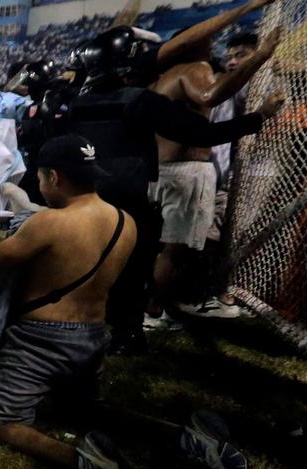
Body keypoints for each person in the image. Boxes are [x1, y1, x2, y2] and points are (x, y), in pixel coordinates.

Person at [66, 24, 284, 353]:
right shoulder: (142, 99)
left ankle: (84, 324)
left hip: (90, 196)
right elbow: (203, 133)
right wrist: (259, 116)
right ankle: (127, 332)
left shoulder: (80, 104)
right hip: (130, 194)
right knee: (135, 264)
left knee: (93, 262)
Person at [0, 135, 142, 469]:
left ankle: (85, 463)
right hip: (92, 335)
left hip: (40, 338)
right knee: (87, 409)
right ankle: (181, 434)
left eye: (40, 179)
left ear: (54, 177)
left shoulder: (52, 223)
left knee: (1, 422)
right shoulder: (125, 221)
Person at [145, 27, 279, 329]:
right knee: (175, 249)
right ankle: (153, 312)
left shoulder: (160, 78)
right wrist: (260, 58)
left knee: (165, 247)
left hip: (162, 171)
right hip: (185, 173)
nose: (213, 48)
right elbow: (210, 104)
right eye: (206, 40)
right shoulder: (197, 71)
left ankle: (154, 306)